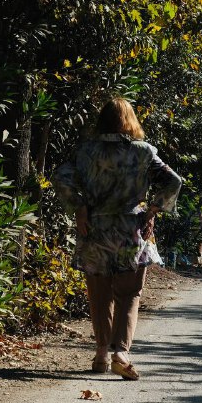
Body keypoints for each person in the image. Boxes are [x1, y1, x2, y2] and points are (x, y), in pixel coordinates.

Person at [52, 98, 182, 380]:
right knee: (128, 293)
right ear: (131, 120)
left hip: (95, 229)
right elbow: (174, 180)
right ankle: (121, 354)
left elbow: (61, 177)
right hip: (131, 229)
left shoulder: (86, 152)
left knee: (98, 294)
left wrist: (79, 207)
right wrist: (153, 209)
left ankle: (101, 353)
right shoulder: (145, 152)